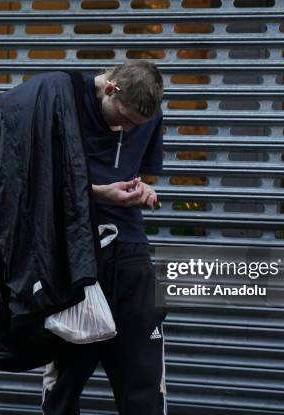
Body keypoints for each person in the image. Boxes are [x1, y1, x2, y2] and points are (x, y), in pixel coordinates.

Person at [41, 60, 167, 415]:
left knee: (143, 379)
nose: (126, 129)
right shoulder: (62, 98)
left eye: (135, 125)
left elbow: (135, 172)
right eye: (124, 118)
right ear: (110, 88)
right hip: (76, 252)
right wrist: (99, 193)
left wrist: (142, 190)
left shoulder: (149, 114)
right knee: (64, 382)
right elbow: (37, 178)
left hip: (130, 252)